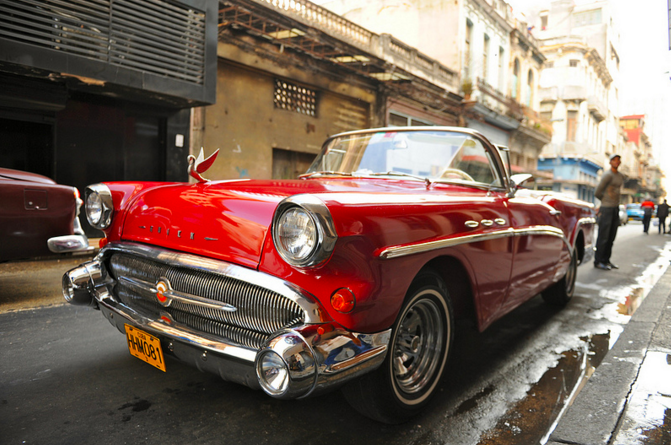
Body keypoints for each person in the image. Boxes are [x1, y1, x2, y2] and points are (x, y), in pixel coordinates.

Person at [594, 154, 624, 270]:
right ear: (610, 162)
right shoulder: (607, 175)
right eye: (614, 160)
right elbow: (597, 192)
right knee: (603, 236)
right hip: (606, 208)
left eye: (618, 160)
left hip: (615, 208)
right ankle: (598, 261)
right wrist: (606, 201)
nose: (616, 162)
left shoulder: (620, 176)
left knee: (611, 236)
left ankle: (606, 260)